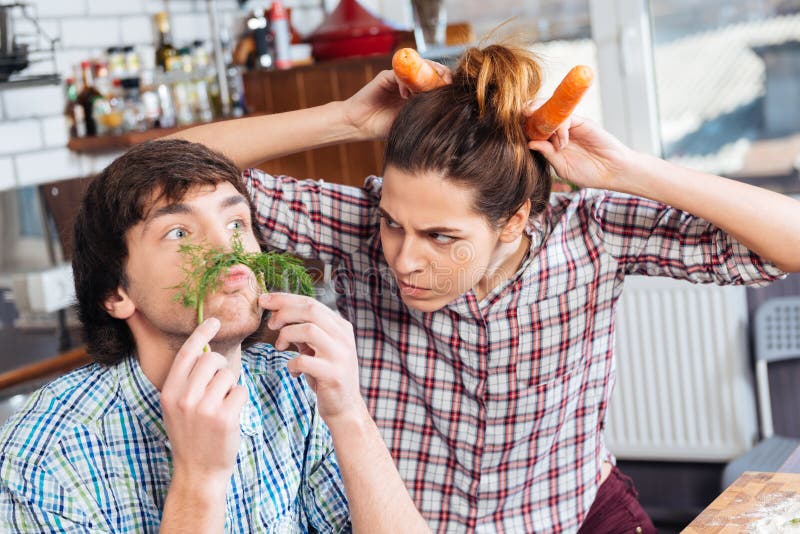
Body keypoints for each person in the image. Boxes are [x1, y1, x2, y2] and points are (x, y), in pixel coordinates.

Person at [173, 44, 800, 533]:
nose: (404, 260)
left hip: (577, 517)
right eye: (394, 223)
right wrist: (346, 117)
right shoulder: (356, 226)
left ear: (515, 221)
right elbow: (160, 171)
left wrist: (626, 169)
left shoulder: (593, 235)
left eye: (442, 237)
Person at [0, 140, 430, 533]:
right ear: (116, 293)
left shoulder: (296, 387)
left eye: (237, 223)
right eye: (179, 233)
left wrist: (350, 414)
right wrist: (198, 482)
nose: (228, 249)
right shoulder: (41, 458)